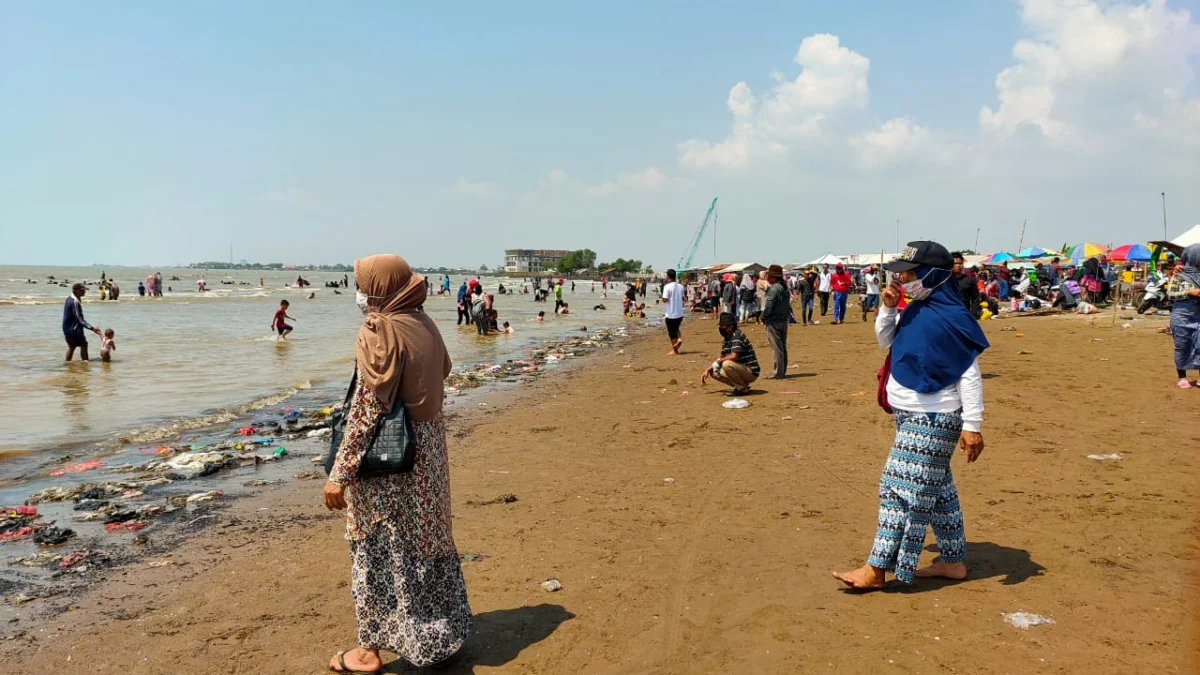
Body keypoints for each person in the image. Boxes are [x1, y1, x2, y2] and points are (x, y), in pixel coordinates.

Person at [323, 255, 471, 672]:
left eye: (364, 285)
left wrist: (340, 472)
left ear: (379, 288)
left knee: (379, 545)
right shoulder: (423, 321)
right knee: (427, 542)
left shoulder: (379, 329)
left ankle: (368, 651)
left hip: (392, 461)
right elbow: (443, 370)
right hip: (429, 454)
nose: (361, 293)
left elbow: (367, 409)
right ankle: (438, 634)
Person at [833, 241, 989, 590]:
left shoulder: (952, 317)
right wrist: (888, 309)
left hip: (934, 417)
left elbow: (969, 373)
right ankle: (953, 562)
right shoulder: (914, 308)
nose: (901, 277)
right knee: (939, 492)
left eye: (909, 272)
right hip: (907, 413)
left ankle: (877, 568)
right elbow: (886, 340)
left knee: (896, 486)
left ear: (932, 274)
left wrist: (973, 426)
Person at [700, 312, 760, 394]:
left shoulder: (737, 335)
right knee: (713, 371)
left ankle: (741, 388)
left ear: (730, 327)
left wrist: (719, 361)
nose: (721, 328)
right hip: (739, 369)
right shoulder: (727, 338)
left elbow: (734, 356)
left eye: (723, 326)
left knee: (726, 364)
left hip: (750, 371)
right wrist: (708, 369)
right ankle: (741, 385)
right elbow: (722, 356)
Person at [1169, 244, 1200, 389]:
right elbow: (1171, 294)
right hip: (1181, 315)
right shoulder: (1179, 274)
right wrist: (1189, 292)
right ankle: (1182, 377)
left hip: (1198, 315)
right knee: (1182, 345)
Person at [760, 265, 790, 379]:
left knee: (776, 347)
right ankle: (782, 370)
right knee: (782, 346)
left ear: (773, 277)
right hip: (783, 320)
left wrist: (763, 317)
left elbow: (769, 306)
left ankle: (778, 372)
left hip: (773, 321)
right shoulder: (784, 288)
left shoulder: (774, 289)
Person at [63, 283, 102, 361]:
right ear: (76, 290)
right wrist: (92, 328)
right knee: (84, 344)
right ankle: (85, 363)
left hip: (67, 328)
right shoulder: (75, 302)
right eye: (83, 290)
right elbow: (79, 319)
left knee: (72, 346)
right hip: (74, 329)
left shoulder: (69, 298)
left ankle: (67, 364)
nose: (84, 292)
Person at [662, 269, 685, 355]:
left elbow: (665, 299)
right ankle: (679, 338)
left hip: (671, 314)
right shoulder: (681, 286)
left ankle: (675, 351)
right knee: (676, 329)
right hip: (679, 313)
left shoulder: (667, 287)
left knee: (672, 333)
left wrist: (663, 299)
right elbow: (683, 298)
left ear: (668, 276)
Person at [951, 253, 981, 318]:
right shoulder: (944, 280)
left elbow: (975, 298)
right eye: (955, 263)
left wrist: (974, 314)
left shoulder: (970, 280)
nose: (958, 265)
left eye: (960, 263)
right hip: (948, 315)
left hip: (964, 314)